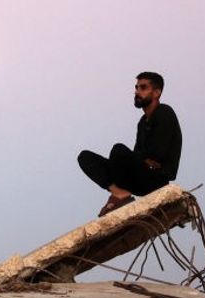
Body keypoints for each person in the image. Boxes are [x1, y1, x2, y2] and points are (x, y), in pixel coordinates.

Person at [78, 71, 182, 217]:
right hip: (139, 177)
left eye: (143, 88)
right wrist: (143, 160)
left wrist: (145, 160)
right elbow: (139, 155)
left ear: (157, 92)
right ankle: (120, 194)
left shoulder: (164, 112)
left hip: (155, 180)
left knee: (118, 149)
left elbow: (158, 153)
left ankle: (120, 195)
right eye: (137, 87)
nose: (137, 92)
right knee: (85, 157)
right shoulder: (142, 122)